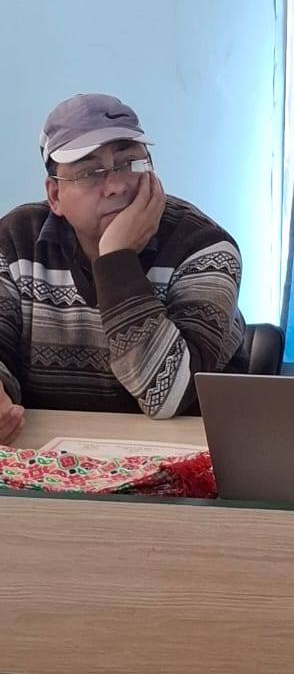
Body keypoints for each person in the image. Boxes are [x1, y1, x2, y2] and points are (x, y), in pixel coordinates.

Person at [0, 93, 247, 441]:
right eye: (90, 172)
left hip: (187, 459)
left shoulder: (204, 247)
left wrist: (116, 259)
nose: (116, 186)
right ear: (55, 195)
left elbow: (168, 395)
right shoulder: (15, 241)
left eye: (129, 163)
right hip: (54, 457)